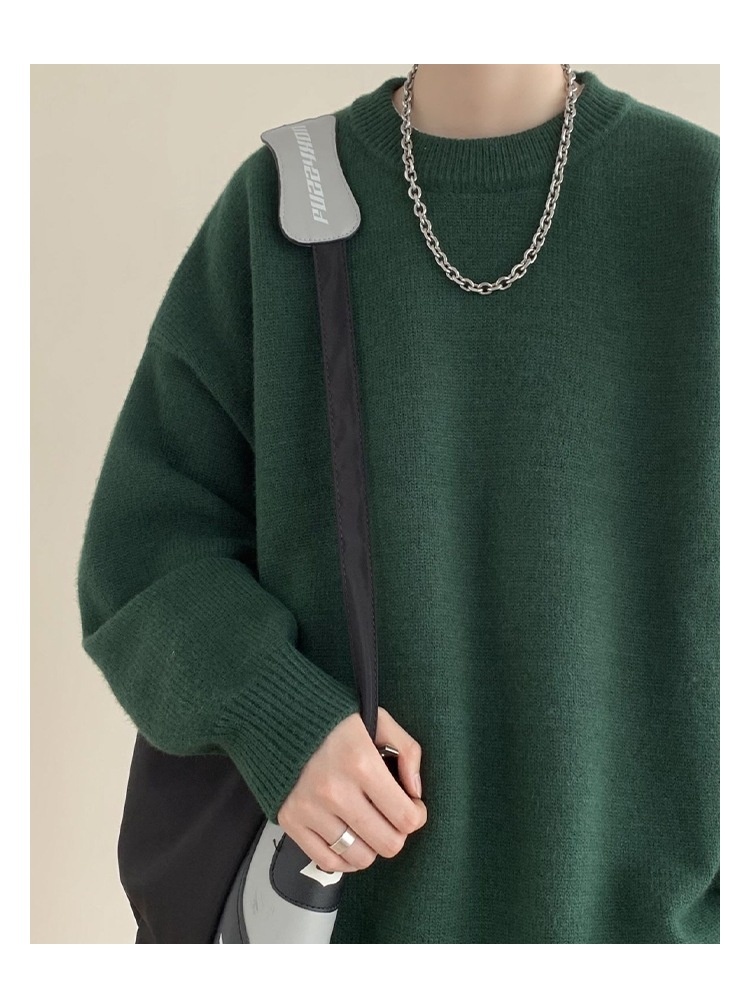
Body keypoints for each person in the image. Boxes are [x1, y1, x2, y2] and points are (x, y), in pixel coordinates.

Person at [76, 64, 720, 943]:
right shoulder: (284, 203)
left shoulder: (708, 204)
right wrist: (279, 716)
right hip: (341, 927)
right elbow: (142, 555)